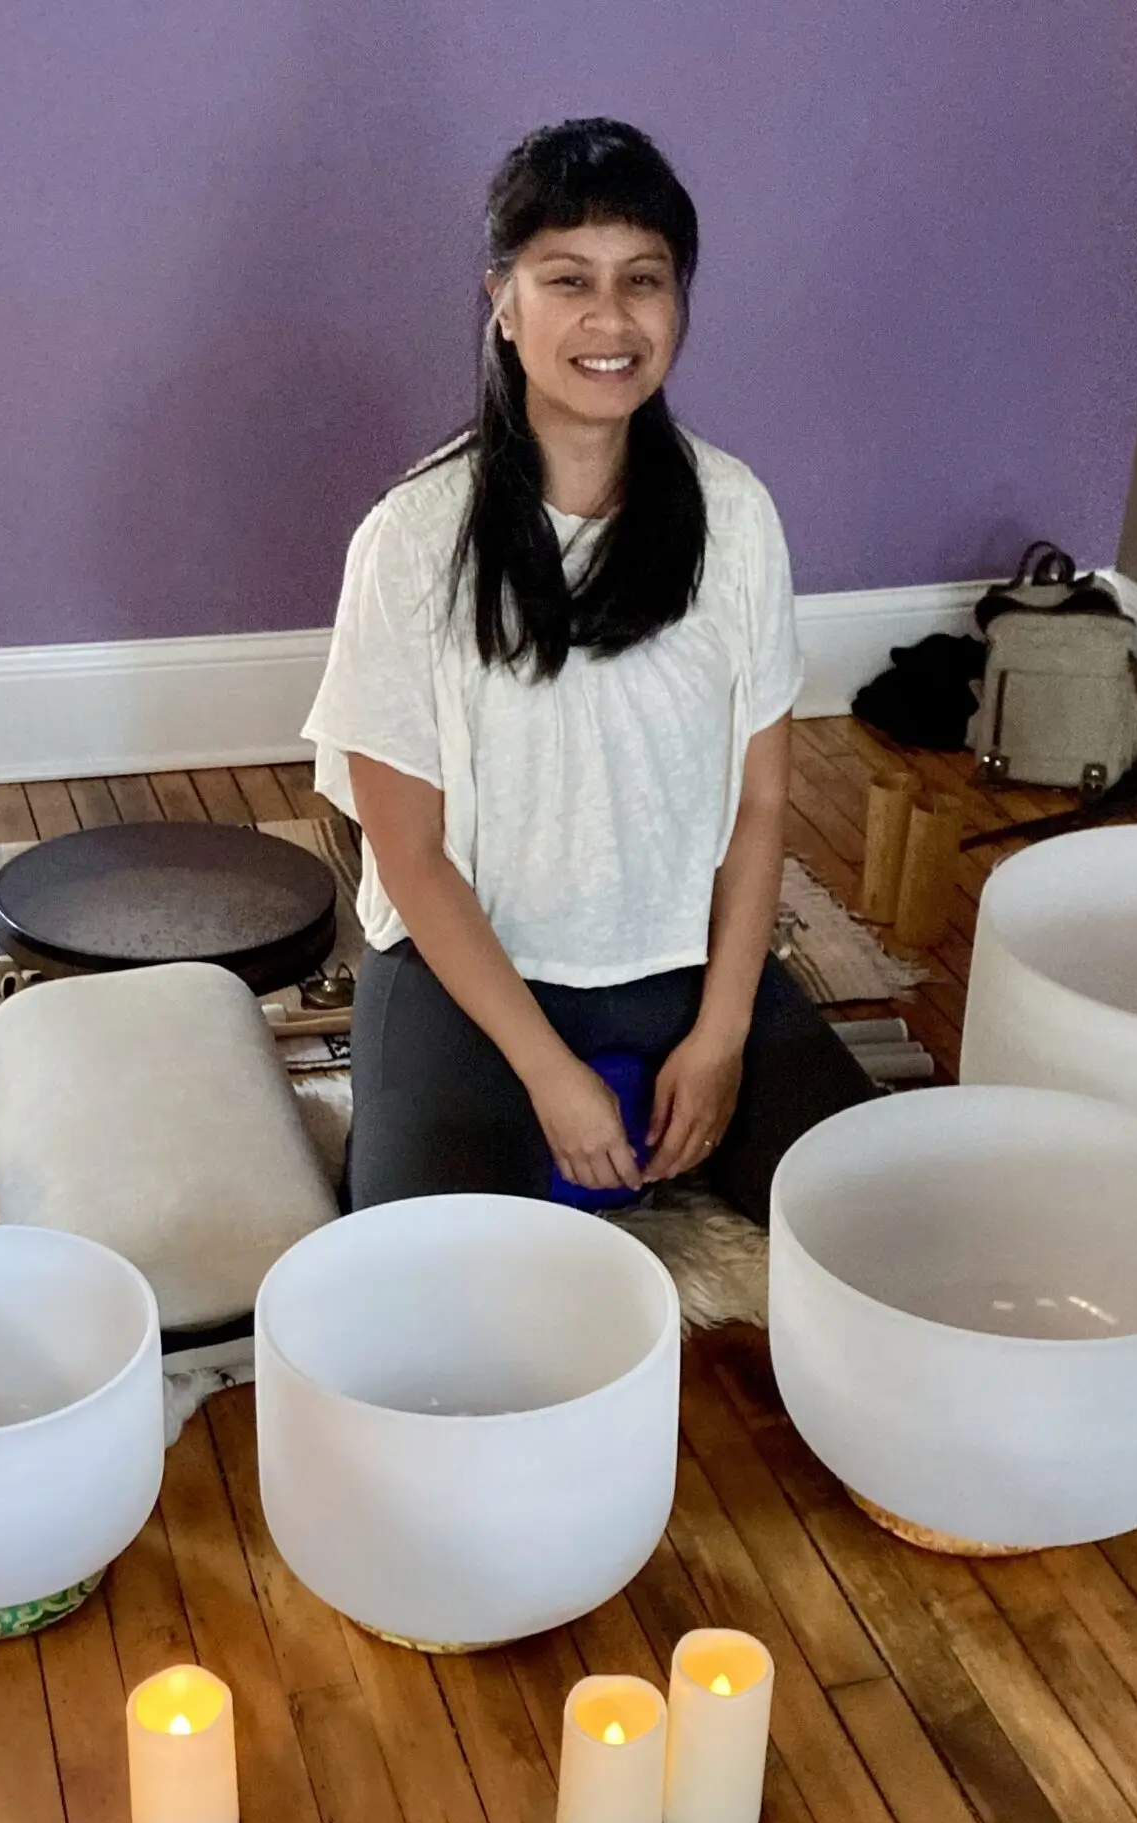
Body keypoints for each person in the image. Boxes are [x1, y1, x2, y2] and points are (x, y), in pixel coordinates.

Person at [304, 117, 872, 1226]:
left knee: (879, 1221)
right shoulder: (411, 539)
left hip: (680, 967)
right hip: (464, 980)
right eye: (568, 280)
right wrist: (550, 1076)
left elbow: (761, 805)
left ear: (678, 302)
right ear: (504, 302)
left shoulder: (735, 515)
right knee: (430, 1278)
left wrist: (721, 1036)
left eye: (642, 281)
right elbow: (409, 853)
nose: (611, 320)